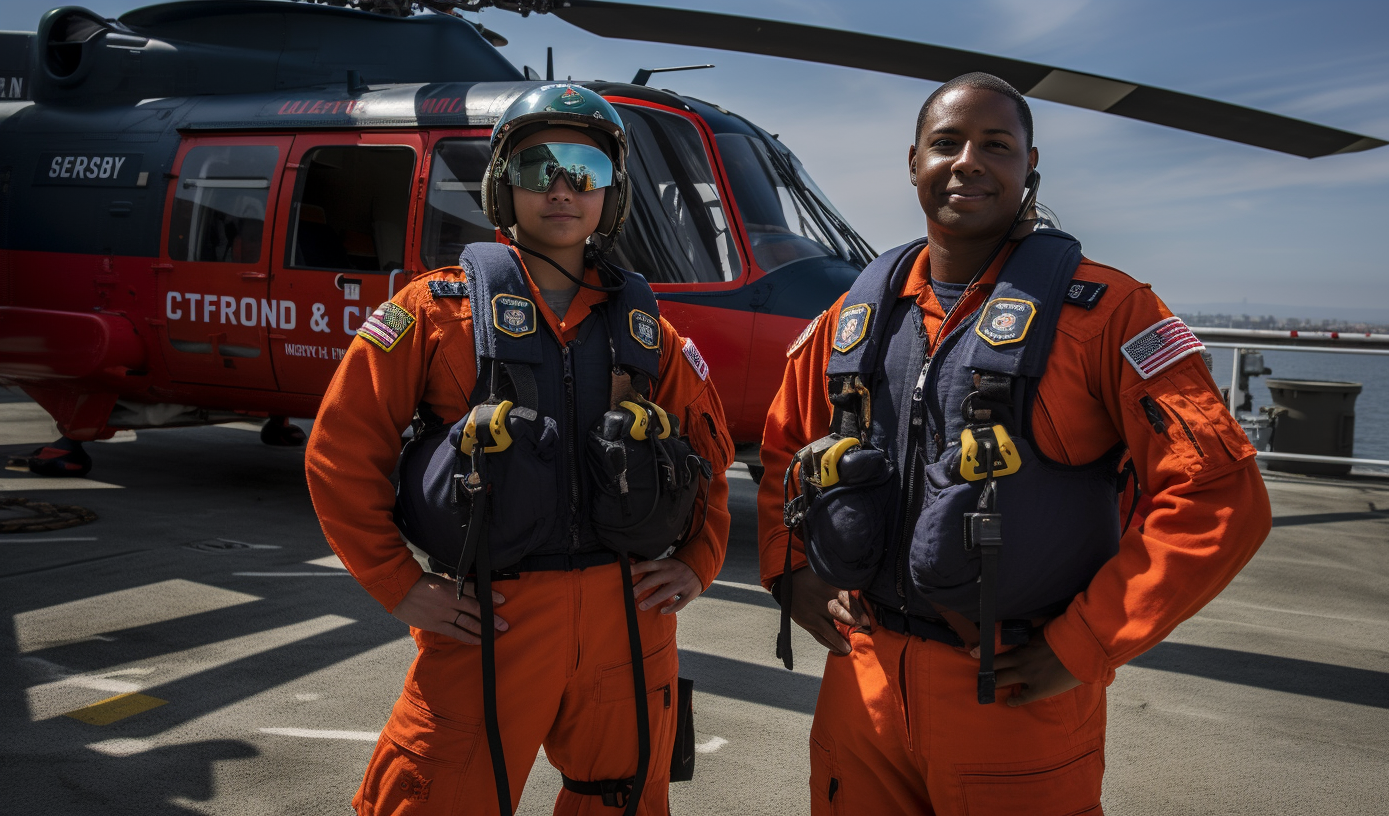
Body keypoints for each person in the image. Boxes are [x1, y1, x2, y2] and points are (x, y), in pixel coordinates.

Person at [757, 72, 1272, 814]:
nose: (968, 160)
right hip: (861, 685)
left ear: (1030, 168)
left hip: (1010, 691)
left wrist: (1086, 643)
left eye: (996, 145)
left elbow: (1220, 494)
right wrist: (789, 569)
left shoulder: (1108, 314)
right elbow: (784, 448)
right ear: (913, 164)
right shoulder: (855, 318)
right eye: (946, 143)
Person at [307, 84, 734, 816]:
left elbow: (707, 460)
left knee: (623, 801)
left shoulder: (650, 337)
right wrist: (398, 585)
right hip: (493, 615)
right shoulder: (433, 312)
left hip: (628, 619)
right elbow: (340, 452)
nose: (561, 188)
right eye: (538, 168)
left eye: (584, 169)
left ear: (613, 191)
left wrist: (698, 564)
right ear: (502, 185)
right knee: (433, 799)